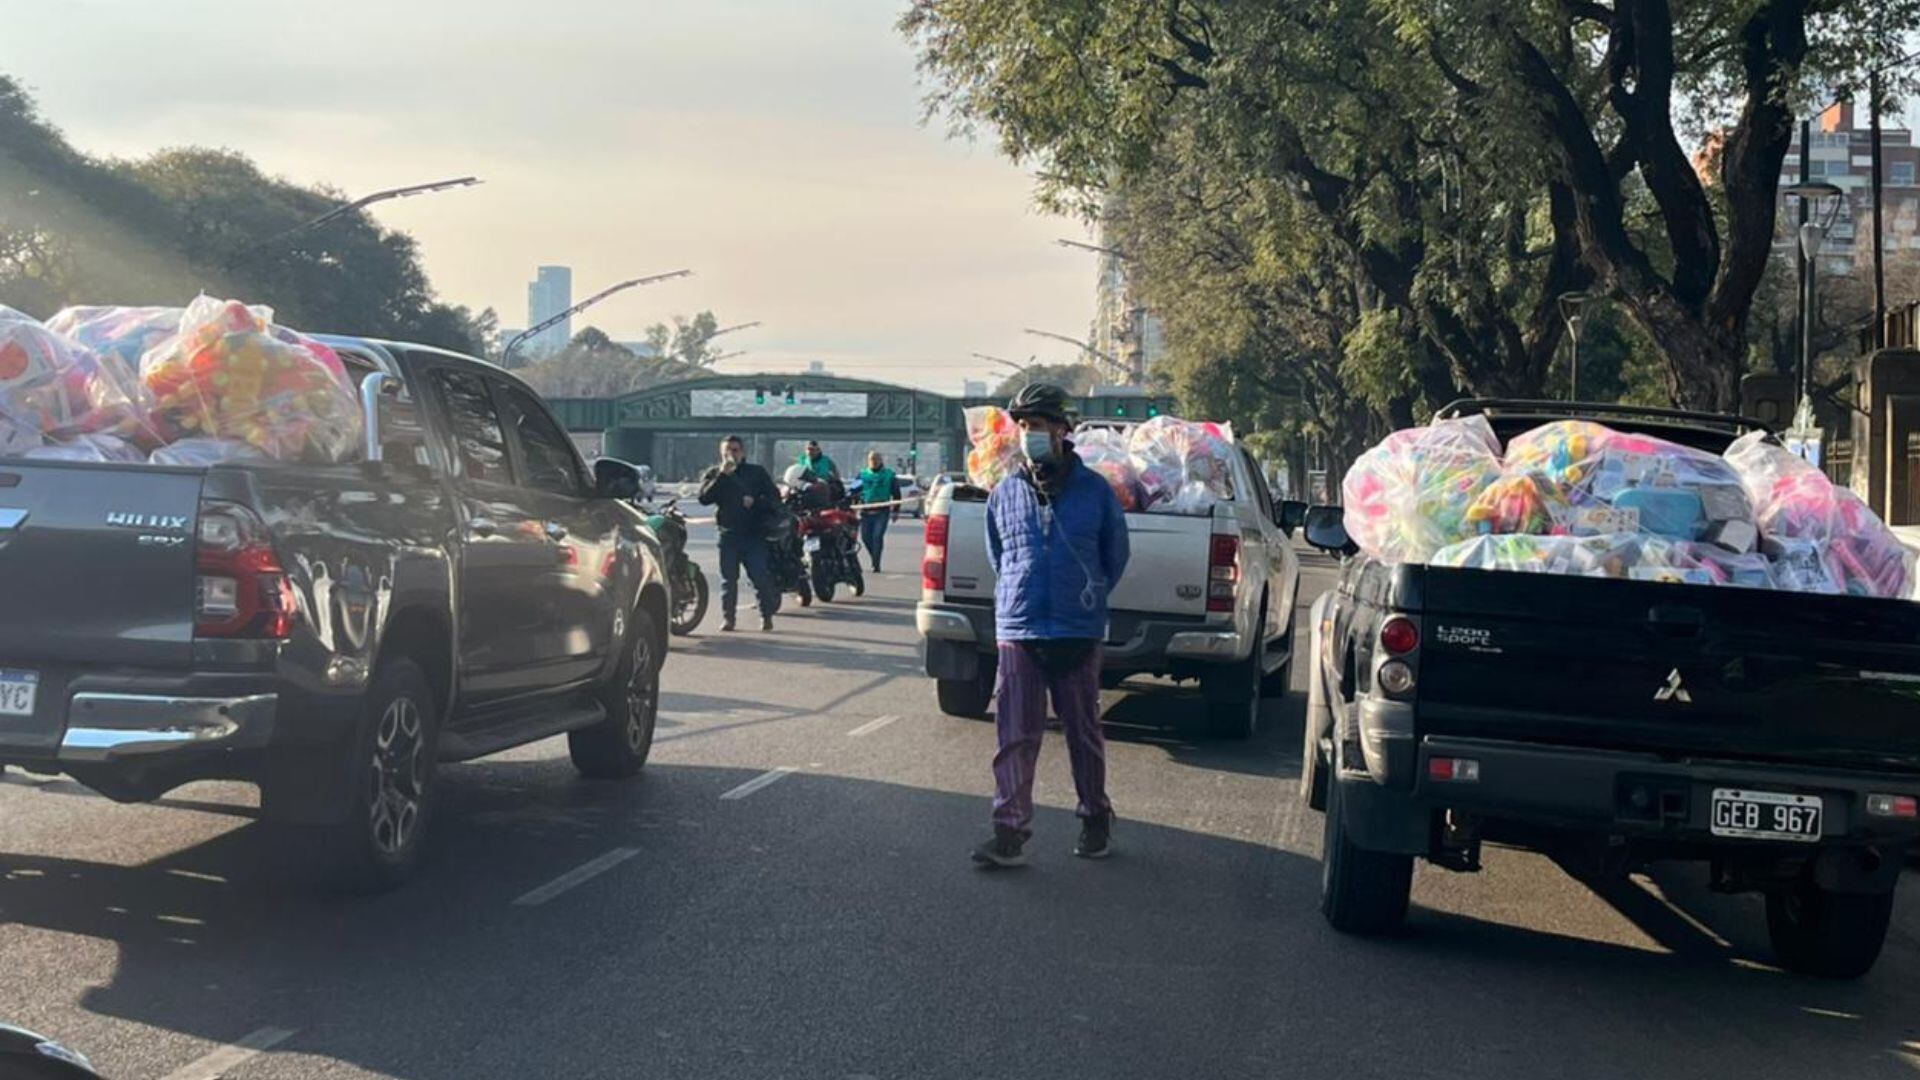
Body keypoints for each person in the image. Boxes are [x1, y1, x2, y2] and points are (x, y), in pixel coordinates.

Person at [972, 383, 1129, 868]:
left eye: (1036, 425)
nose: (1028, 435)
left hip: (1076, 629)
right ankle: (1009, 832)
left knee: (1083, 733)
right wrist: (1020, 596)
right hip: (1019, 628)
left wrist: (1085, 598)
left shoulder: (1096, 492)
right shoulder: (1005, 492)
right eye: (1021, 426)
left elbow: (1114, 557)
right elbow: (1000, 556)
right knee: (1014, 734)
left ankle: (1095, 817)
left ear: (1063, 430)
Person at [697, 435, 781, 632]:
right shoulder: (715, 473)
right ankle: (729, 619)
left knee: (759, 577)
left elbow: (774, 498)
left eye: (735, 450)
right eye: (727, 450)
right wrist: (721, 476)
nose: (731, 454)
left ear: (743, 452)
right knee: (728, 579)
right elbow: (704, 498)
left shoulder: (756, 472)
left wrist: (756, 502)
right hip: (728, 534)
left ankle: (766, 615)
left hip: (753, 534)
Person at [855, 450, 900, 573]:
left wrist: (896, 511)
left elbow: (896, 494)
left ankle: (876, 563)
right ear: (868, 461)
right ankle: (873, 556)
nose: (874, 462)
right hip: (866, 512)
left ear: (881, 460)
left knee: (877, 537)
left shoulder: (889, 475)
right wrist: (852, 507)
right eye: (871, 459)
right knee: (865, 538)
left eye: (876, 459)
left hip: (882, 512)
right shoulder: (862, 475)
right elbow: (854, 491)